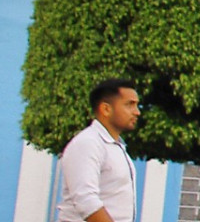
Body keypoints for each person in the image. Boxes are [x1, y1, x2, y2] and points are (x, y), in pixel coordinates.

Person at [59, 78, 141, 222]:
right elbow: (86, 200)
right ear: (106, 109)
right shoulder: (88, 143)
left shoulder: (117, 147)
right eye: (130, 105)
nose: (137, 112)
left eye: (137, 105)